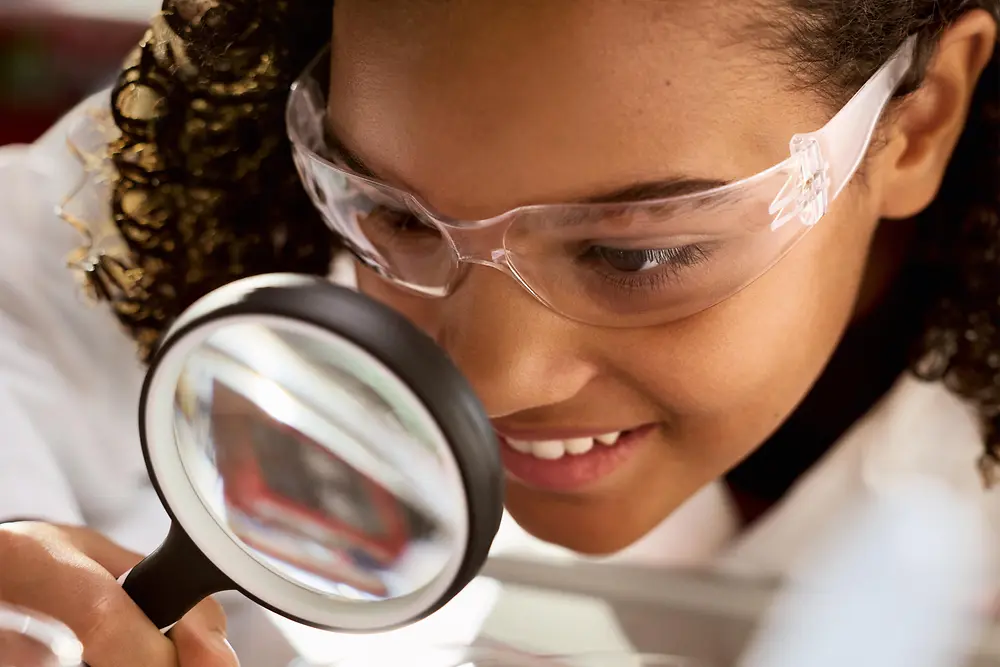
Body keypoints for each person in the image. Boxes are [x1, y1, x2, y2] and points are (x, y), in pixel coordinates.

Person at [0, 0, 997, 664]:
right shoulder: (173, 207)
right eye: (392, 216)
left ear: (917, 123)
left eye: (635, 254)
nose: (490, 378)